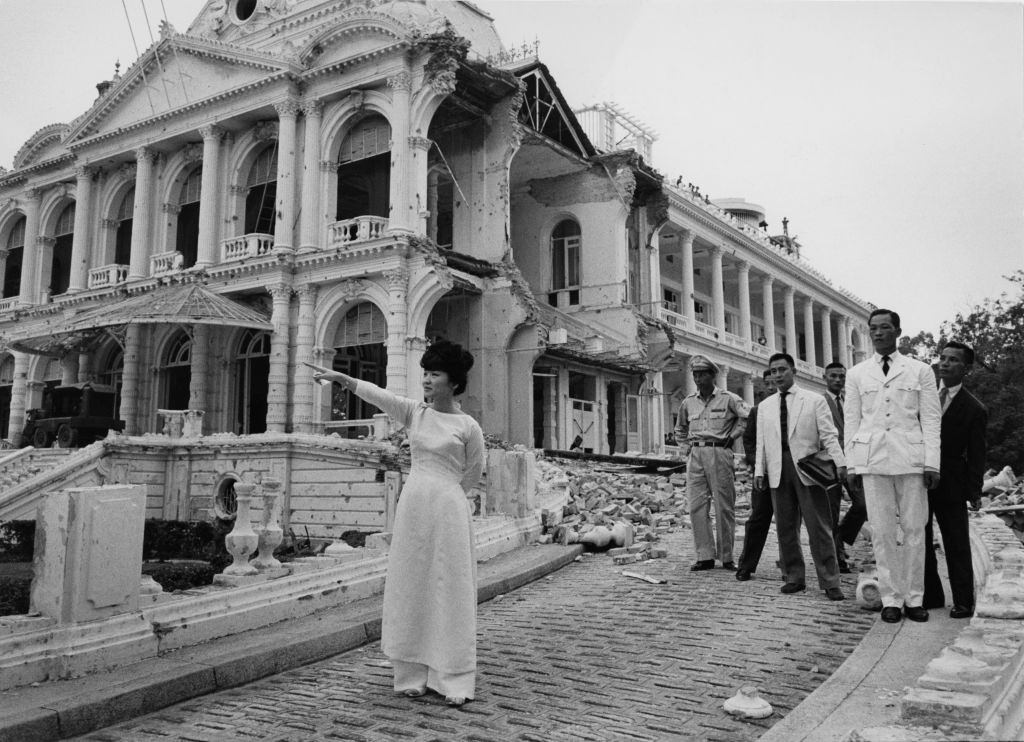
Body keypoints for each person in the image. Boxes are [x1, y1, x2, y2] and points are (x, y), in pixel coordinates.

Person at [308, 340, 485, 706]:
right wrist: (342, 378)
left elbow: (473, 473)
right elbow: (379, 395)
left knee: (448, 588)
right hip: (414, 507)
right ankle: (411, 672)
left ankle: (451, 676)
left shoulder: (469, 426)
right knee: (412, 585)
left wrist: (448, 496)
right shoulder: (414, 413)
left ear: (453, 382)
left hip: (449, 510)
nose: (426, 380)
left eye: (434, 374)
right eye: (425, 373)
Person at [845, 309, 941, 624]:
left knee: (915, 530)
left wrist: (932, 462)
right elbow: (852, 421)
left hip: (911, 460)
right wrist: (852, 464)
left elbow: (930, 419)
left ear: (897, 331)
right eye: (873, 328)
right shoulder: (857, 373)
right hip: (873, 461)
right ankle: (891, 599)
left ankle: (915, 599)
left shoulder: (920, 370)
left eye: (885, 327)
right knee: (883, 533)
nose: (878, 333)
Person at [755, 353, 847, 600]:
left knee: (819, 526)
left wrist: (840, 463)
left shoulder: (814, 400)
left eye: (782, 370)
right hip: (777, 467)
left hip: (808, 468)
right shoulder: (765, 406)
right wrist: (758, 470)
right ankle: (794, 576)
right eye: (773, 371)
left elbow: (829, 435)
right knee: (785, 526)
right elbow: (761, 443)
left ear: (793, 371)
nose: (777, 375)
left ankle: (830, 581)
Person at [923, 341, 987, 619]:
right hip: (921, 478)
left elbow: (977, 454)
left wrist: (974, 491)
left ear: (967, 369)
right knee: (920, 539)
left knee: (956, 541)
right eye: (942, 358)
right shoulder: (923, 397)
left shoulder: (974, 408)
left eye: (953, 360)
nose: (945, 364)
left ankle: (963, 600)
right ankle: (932, 595)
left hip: (952, 481)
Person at [674, 355, 749, 571]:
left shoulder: (728, 398)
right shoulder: (688, 402)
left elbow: (746, 417)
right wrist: (685, 448)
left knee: (723, 505)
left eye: (702, 374)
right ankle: (704, 556)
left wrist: (733, 436)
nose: (698, 378)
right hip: (696, 453)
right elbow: (680, 428)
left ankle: (726, 557)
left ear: (713, 375)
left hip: (719, 452)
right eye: (695, 374)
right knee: (697, 505)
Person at [736, 369, 777, 581]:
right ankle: (746, 565)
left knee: (789, 521)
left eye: (774, 383)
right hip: (764, 474)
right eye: (767, 384)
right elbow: (748, 440)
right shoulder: (758, 410)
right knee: (758, 519)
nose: (771, 388)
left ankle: (789, 566)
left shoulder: (794, 407)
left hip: (789, 474)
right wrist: (756, 463)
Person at [822, 362, 858, 574]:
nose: (837, 380)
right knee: (832, 511)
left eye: (841, 377)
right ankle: (837, 557)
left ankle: (841, 536)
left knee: (862, 505)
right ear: (825, 377)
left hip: (853, 462)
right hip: (830, 463)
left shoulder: (850, 401)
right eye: (833, 376)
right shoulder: (820, 401)